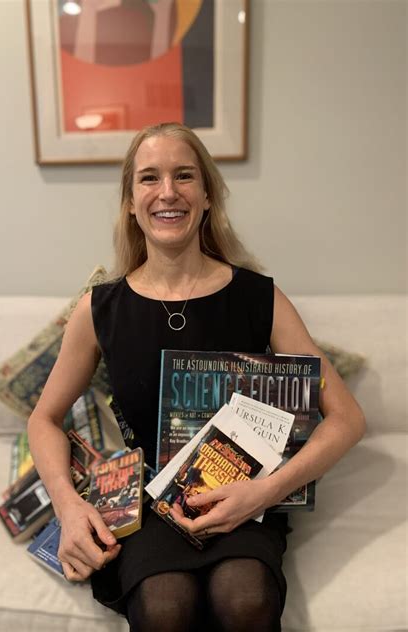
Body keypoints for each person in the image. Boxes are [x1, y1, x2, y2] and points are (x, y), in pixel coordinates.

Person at [27, 122, 365, 632]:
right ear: (130, 201)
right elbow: (44, 420)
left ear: (207, 196)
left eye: (184, 176)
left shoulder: (259, 298)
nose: (168, 192)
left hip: (245, 497)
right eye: (149, 178)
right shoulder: (99, 309)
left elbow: (346, 418)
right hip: (147, 502)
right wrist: (68, 506)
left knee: (245, 598)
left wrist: (265, 493)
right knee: (165, 607)